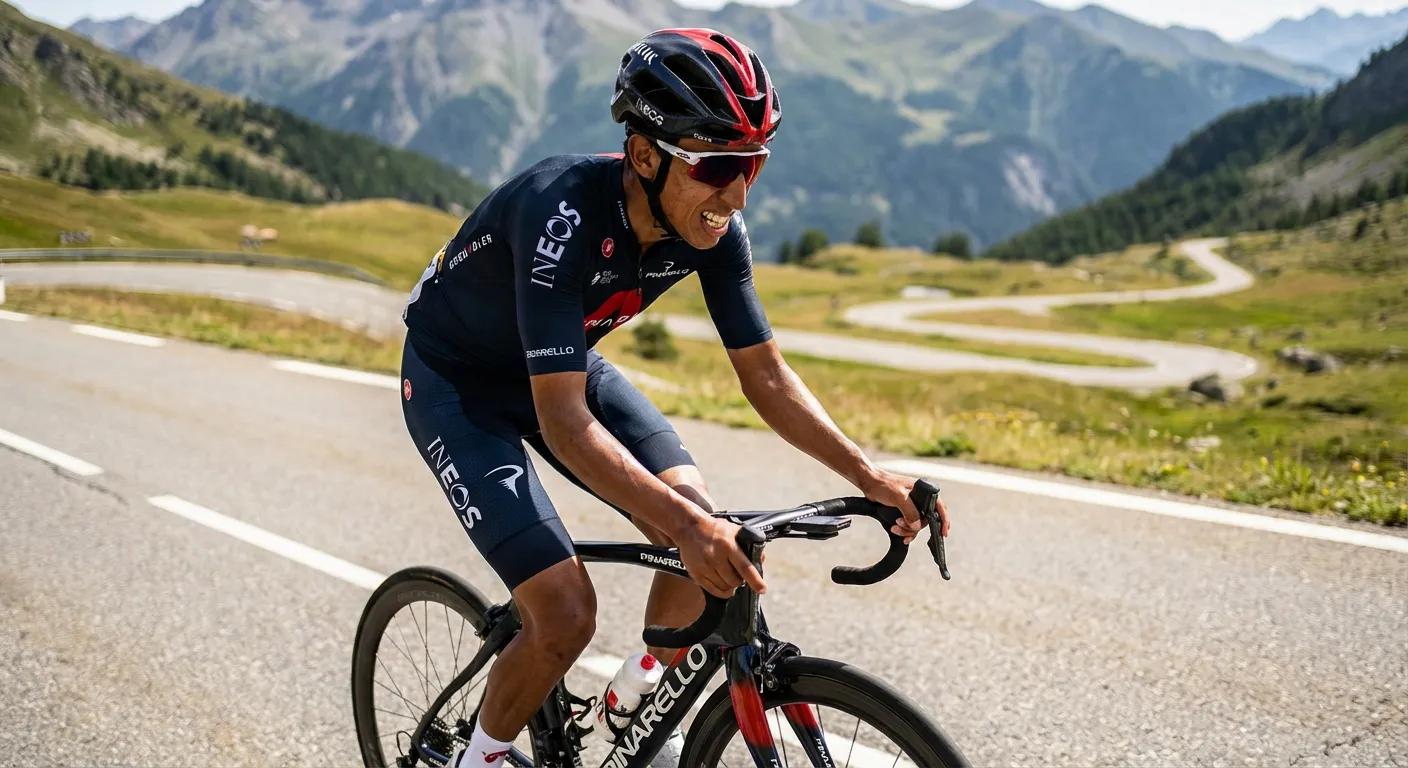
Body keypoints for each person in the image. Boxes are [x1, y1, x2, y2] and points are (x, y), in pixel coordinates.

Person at [398, 27, 951, 768]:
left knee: (697, 510)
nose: (737, 191)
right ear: (645, 154)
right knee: (565, 613)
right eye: (719, 164)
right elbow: (565, 424)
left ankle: (635, 700)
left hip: (559, 367)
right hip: (456, 383)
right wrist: (689, 532)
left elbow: (767, 377)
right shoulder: (557, 214)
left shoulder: (716, 228)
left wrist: (869, 476)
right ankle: (479, 758)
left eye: (753, 163)